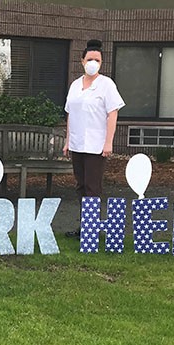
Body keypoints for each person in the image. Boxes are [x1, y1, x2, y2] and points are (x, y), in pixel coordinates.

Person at [63, 39, 125, 237]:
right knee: (80, 185)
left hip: (96, 146)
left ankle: (92, 229)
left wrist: (108, 141)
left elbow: (112, 113)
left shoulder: (106, 85)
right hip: (77, 144)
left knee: (92, 187)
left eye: (97, 60)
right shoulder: (74, 85)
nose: (93, 63)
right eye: (90, 59)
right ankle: (84, 226)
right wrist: (67, 141)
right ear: (82, 61)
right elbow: (70, 114)